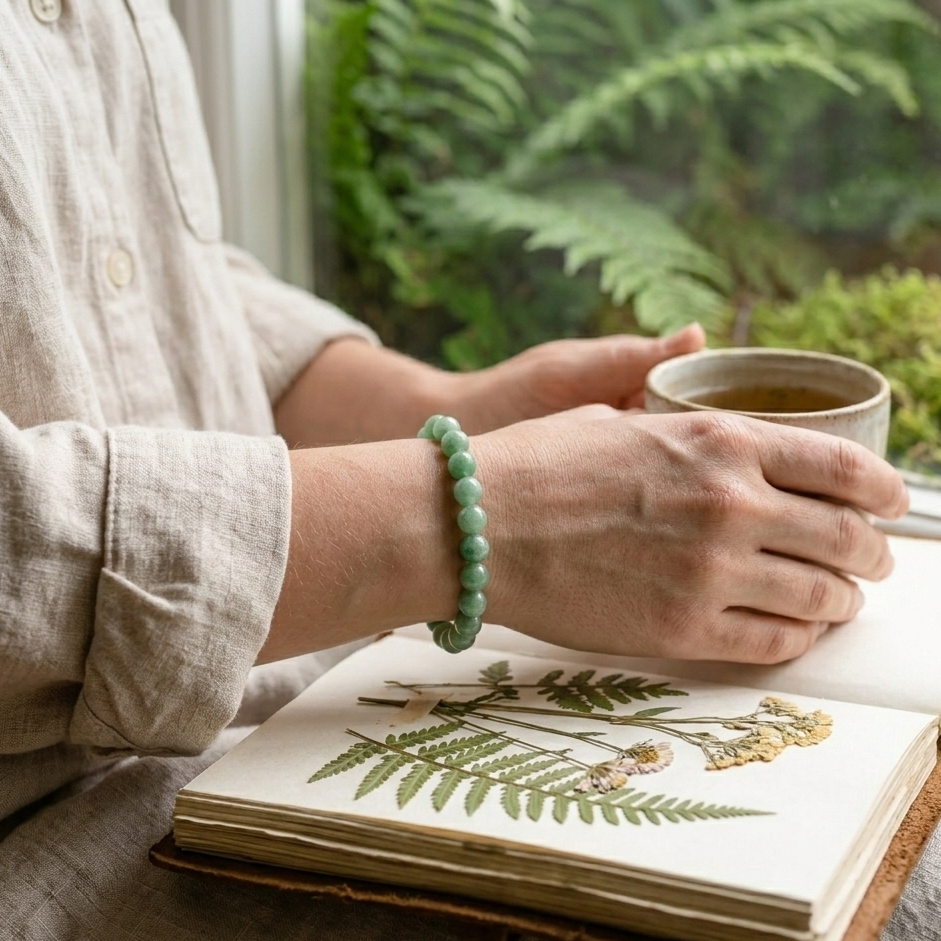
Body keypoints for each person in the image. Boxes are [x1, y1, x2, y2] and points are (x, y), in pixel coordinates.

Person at [0, 3, 931, 941]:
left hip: (289, 705)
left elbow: (135, 268)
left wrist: (439, 406)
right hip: (58, 826)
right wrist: (478, 518)